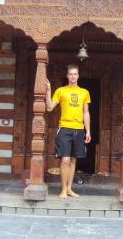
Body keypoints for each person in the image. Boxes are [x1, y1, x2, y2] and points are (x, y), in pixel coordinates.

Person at [45, 64, 91, 199]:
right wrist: (48, 91)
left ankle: (70, 189)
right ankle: (63, 189)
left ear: (78, 75)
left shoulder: (84, 92)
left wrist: (88, 131)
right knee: (65, 160)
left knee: (72, 160)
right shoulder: (60, 91)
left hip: (79, 129)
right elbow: (49, 108)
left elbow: (86, 113)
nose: (73, 76)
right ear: (67, 76)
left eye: (75, 74)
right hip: (65, 128)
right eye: (70, 74)